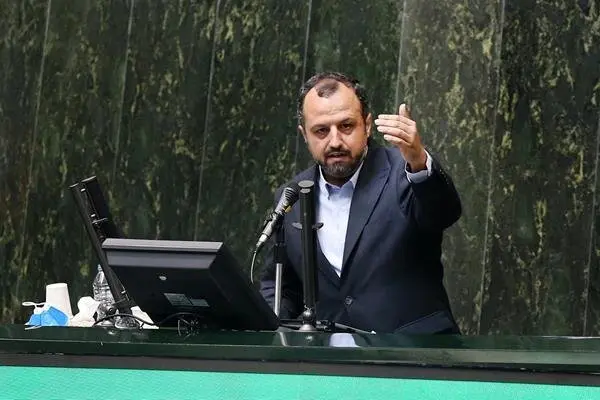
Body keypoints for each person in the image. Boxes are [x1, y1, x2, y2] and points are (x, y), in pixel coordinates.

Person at [259, 72, 462, 334]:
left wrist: (419, 161)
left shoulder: (405, 172)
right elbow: (283, 287)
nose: (335, 141)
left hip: (413, 349)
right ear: (304, 135)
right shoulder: (292, 196)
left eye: (346, 126)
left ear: (366, 125)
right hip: (332, 354)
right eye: (321, 131)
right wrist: (270, 326)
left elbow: (443, 213)